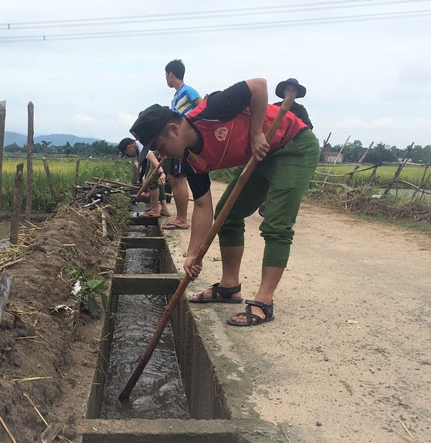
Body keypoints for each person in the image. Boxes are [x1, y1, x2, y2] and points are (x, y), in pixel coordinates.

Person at [129, 78, 320, 326]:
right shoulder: (191, 161)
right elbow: (202, 206)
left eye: (159, 146)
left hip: (293, 144)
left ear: (174, 130)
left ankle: (264, 302)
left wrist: (255, 133)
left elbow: (258, 86)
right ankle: (230, 287)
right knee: (226, 216)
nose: (161, 154)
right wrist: (193, 254)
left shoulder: (213, 110)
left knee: (276, 225)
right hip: (263, 155)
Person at [258, 78, 314, 217]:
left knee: (284, 178)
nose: (291, 92)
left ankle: (279, 207)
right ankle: (264, 202)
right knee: (268, 174)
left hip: (290, 147)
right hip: (273, 145)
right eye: (289, 89)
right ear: (283, 91)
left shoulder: (300, 110)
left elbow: (308, 127)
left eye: (294, 90)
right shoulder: (274, 107)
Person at [162, 59, 202, 230]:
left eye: (166, 75)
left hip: (184, 143)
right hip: (176, 143)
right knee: (172, 178)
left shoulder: (188, 91)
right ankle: (180, 217)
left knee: (179, 178)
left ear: (171, 74)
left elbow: (202, 108)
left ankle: (182, 219)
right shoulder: (176, 97)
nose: (165, 78)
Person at [117, 137, 171, 218]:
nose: (128, 155)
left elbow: (153, 159)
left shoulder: (141, 146)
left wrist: (161, 173)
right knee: (155, 182)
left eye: (126, 153)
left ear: (129, 147)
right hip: (158, 159)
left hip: (162, 159)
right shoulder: (140, 147)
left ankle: (155, 210)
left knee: (153, 182)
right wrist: (146, 180)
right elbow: (150, 164)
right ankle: (164, 209)